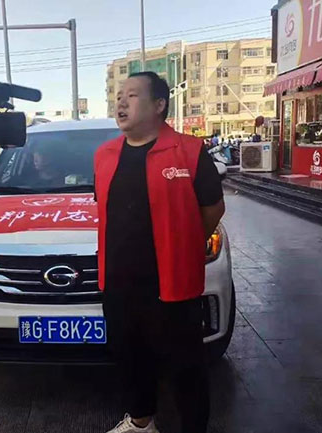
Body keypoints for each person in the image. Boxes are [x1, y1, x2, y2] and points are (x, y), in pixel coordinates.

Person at [94, 72, 225, 433]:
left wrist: (184, 244)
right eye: (119, 96)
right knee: (130, 358)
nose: (121, 102)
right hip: (119, 283)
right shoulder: (104, 156)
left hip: (173, 284)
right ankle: (141, 423)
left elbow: (213, 208)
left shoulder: (189, 151)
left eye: (132, 95)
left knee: (186, 367)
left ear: (159, 105)